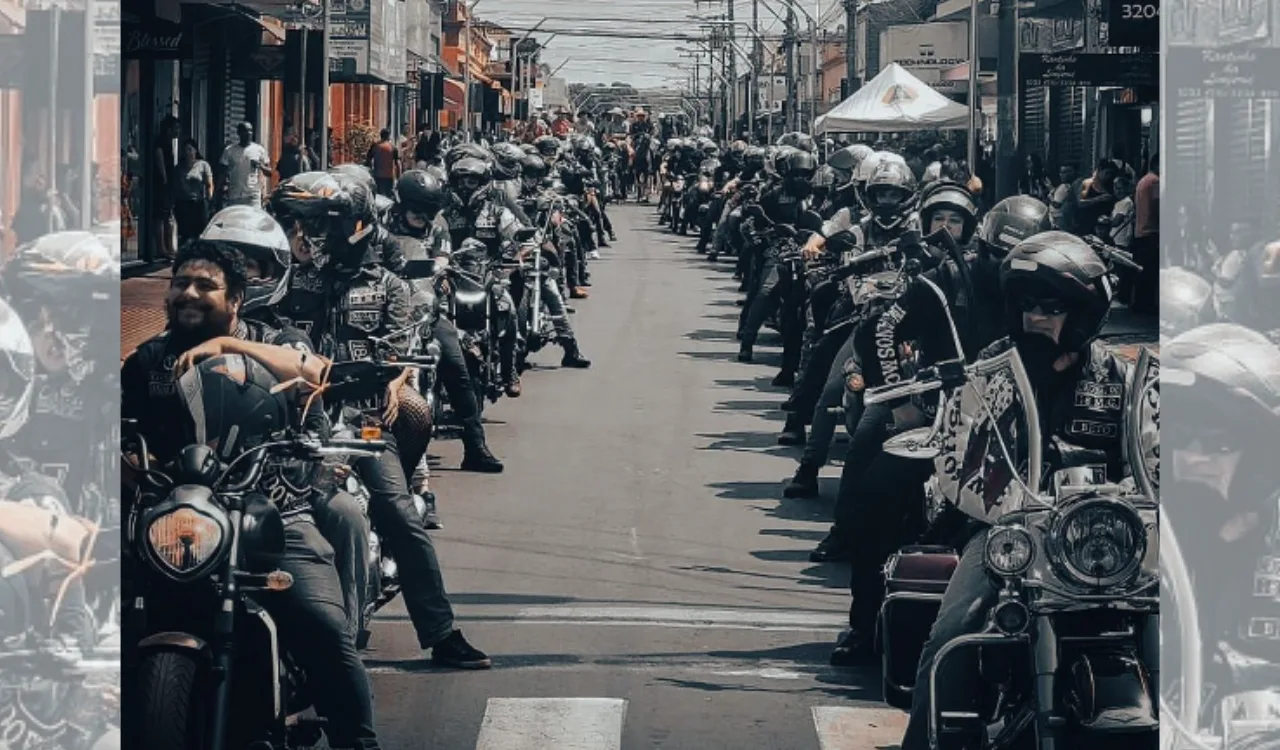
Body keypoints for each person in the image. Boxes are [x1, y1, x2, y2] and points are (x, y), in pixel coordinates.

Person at [121, 241, 383, 749]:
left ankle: (358, 741)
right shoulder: (149, 359)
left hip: (273, 512)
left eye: (205, 285)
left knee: (322, 625)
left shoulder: (272, 339)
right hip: (177, 518)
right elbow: (117, 426)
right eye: (180, 283)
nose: (189, 294)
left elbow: (316, 373)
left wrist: (229, 348)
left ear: (236, 299)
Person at [898, 231, 1132, 750]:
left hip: (1108, 541)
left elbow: (1154, 451)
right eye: (1027, 305)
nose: (1036, 317)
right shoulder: (990, 373)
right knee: (949, 637)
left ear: (1083, 311)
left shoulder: (1121, 376)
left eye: (1051, 306)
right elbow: (958, 449)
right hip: (1013, 534)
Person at [268, 174, 493, 669]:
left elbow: (400, 349)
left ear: (354, 224)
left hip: (364, 421)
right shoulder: (286, 281)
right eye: (299, 225)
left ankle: (440, 632)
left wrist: (394, 380)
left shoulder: (388, 286)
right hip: (293, 422)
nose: (306, 235)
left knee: (400, 514)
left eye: (317, 224)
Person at [217, 122, 271, 208]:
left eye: (250, 131)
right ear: (239, 133)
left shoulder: (259, 150)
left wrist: (260, 165)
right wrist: (216, 193)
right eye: (245, 131)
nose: (249, 133)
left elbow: (269, 173)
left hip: (252, 196)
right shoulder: (230, 151)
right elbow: (222, 173)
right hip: (235, 195)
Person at [172, 138, 214, 246]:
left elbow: (209, 183)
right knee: (185, 233)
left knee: (200, 232)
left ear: (195, 150)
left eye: (190, 149)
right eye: (185, 150)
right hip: (183, 204)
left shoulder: (203, 165)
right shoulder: (179, 168)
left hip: (198, 203)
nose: (188, 152)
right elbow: (176, 186)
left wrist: (209, 199)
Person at [1131, 151, 1159, 313]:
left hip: (1141, 231)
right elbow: (1156, 205)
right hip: (1151, 231)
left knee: (1142, 271)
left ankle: (1139, 303)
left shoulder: (1143, 182)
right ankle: (1146, 304)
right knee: (1150, 272)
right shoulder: (1155, 182)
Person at [152, 115, 180, 258]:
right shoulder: (162, 141)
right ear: (169, 129)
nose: (178, 131)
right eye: (176, 128)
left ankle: (169, 247)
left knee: (167, 214)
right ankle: (161, 248)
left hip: (168, 182)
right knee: (160, 215)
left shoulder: (168, 142)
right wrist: (163, 176)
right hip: (162, 183)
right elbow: (159, 155)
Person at [366, 128, 400, 196]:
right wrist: (398, 177)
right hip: (389, 176)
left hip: (378, 176)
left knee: (379, 196)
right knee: (389, 196)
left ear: (380, 135)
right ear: (388, 136)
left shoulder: (375, 146)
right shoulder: (393, 147)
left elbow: (368, 160)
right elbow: (398, 164)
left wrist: (370, 171)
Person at [1048, 163, 1076, 230]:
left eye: (1064, 172)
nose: (1062, 175)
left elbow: (1057, 205)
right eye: (1061, 172)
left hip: (1060, 220)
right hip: (1054, 219)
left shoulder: (1068, 187)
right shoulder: (1062, 186)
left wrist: (1050, 197)